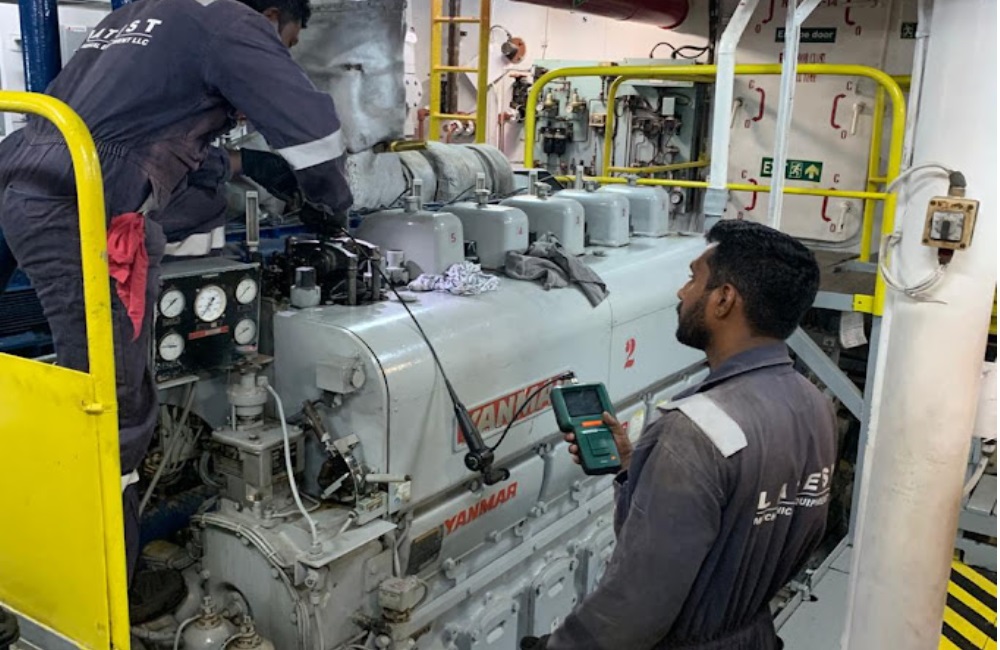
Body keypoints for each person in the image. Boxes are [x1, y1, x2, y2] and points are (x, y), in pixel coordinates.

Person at [0, 0, 353, 596]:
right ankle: (104, 585)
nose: (282, 50)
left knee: (204, 199)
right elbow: (315, 135)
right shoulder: (234, 24)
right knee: (114, 403)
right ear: (273, 17)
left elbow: (141, 134)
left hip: (28, 175)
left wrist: (247, 163)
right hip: (76, 205)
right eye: (287, 41)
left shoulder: (144, 16)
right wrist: (331, 205)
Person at [522, 220, 835, 650]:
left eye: (693, 279)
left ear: (724, 299)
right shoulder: (812, 403)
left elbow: (634, 608)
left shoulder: (691, 434)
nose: (682, 292)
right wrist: (635, 466)